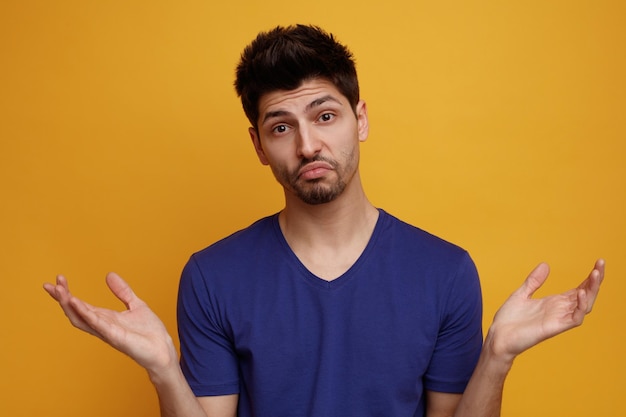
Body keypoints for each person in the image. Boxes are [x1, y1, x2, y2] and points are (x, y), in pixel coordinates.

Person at [43, 24, 604, 417]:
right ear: (259, 145)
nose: (308, 143)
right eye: (280, 126)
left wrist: (498, 358)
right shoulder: (212, 276)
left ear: (360, 119)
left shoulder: (447, 272)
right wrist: (164, 370)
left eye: (325, 115)